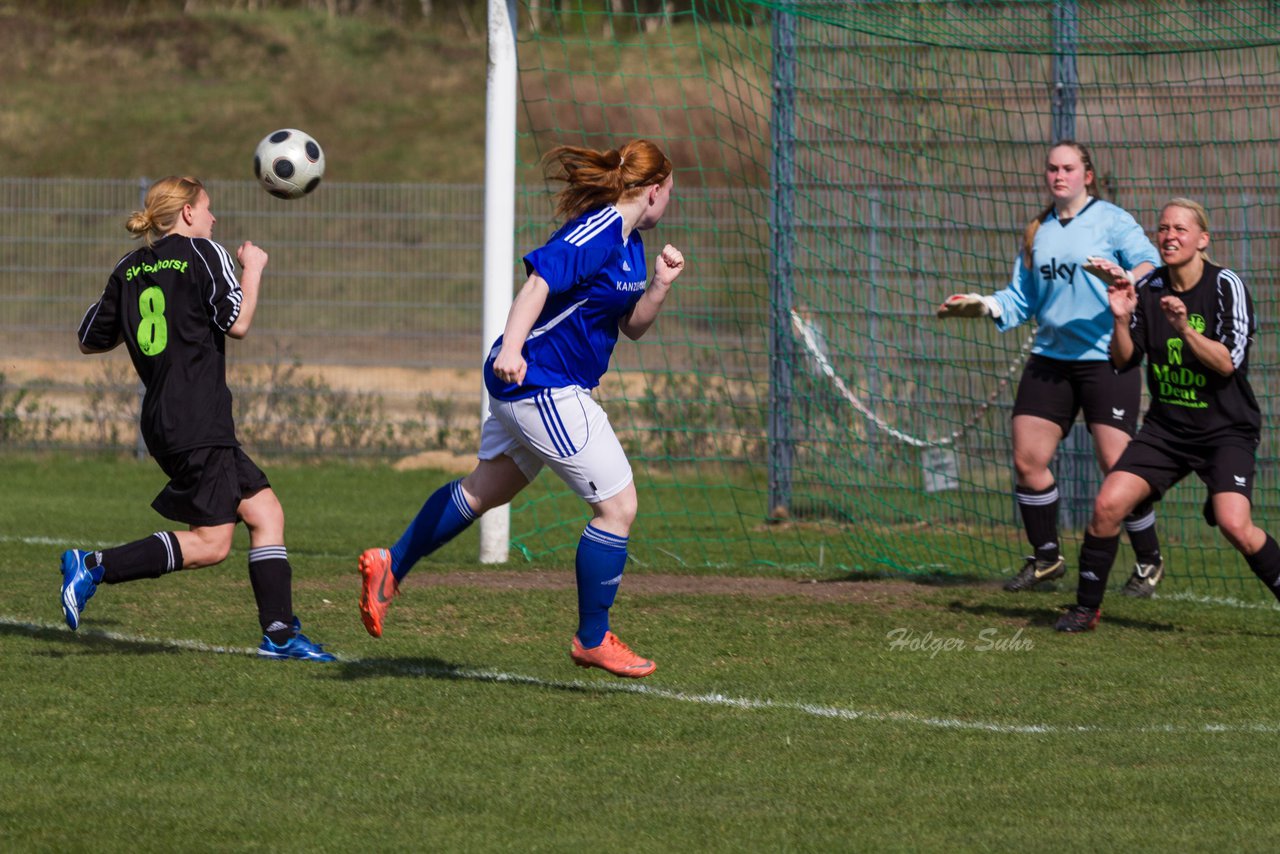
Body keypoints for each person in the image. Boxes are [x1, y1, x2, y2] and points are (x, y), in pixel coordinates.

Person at [357, 139, 683, 678]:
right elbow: (538, 283)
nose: (669, 201)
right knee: (618, 508)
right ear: (652, 191)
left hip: (537, 385)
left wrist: (660, 287)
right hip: (542, 384)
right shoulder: (598, 231)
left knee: (486, 489)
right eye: (669, 192)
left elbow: (631, 327)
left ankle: (392, 566)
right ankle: (592, 638)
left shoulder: (629, 245)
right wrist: (511, 347)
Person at [64, 176, 334, 661]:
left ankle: (279, 634)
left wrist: (131, 297)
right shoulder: (205, 253)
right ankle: (93, 565)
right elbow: (239, 324)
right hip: (198, 419)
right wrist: (251, 268)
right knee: (211, 545)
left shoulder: (127, 268)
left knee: (266, 512)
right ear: (187, 213)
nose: (214, 219)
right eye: (208, 209)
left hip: (167, 419)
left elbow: (88, 339)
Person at [936, 140, 1166, 596]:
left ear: (1088, 175)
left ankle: (1148, 561)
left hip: (1107, 359)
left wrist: (1125, 278)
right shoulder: (1037, 230)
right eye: (1052, 168)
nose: (1059, 175)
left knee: (1118, 466)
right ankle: (1046, 558)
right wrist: (982, 305)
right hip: (1051, 359)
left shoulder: (1112, 220)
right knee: (1027, 459)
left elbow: (1150, 263)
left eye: (1069, 168)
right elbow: (1021, 299)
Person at [1056, 198, 1280, 631]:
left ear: (1202, 239)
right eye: (1163, 229)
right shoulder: (1150, 286)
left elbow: (1227, 363)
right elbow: (1123, 360)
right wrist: (1120, 318)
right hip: (1166, 430)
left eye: (1180, 229)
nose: (1170, 236)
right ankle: (1086, 610)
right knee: (1107, 505)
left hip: (1225, 432)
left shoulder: (1225, 285)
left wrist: (1183, 328)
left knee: (1236, 524)